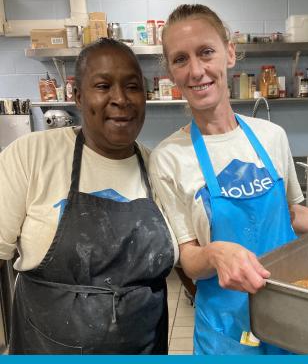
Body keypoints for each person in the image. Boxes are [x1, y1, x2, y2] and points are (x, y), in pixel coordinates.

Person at [148, 4, 308, 355]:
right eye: (180, 59)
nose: (196, 70)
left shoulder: (271, 136)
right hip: (225, 329)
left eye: (206, 52)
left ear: (229, 54)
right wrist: (216, 254)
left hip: (290, 314)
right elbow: (188, 258)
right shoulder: (168, 158)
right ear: (171, 73)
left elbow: (294, 215)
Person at [0, 38, 178, 354]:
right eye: (103, 85)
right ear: (79, 97)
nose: (120, 99)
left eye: (132, 86)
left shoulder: (160, 169)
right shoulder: (31, 156)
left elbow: (188, 259)